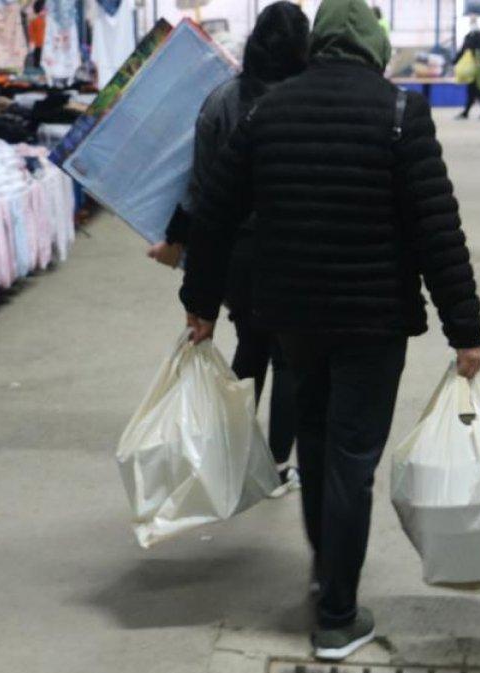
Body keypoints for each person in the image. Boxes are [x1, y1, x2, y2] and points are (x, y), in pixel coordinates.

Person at [180, 0, 480, 661]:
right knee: (351, 457)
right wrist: (466, 327)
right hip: (373, 321)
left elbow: (213, 212)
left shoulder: (266, 110)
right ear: (374, 45)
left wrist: (200, 301)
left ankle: (327, 575)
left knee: (317, 444)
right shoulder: (401, 113)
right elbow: (437, 226)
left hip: (292, 314)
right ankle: (338, 616)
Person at [147, 1, 310, 493]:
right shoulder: (304, 101)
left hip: (237, 253)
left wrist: (185, 248)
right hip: (291, 249)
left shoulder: (221, 101)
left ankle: (231, 455)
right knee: (287, 357)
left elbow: (200, 191)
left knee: (250, 345)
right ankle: (278, 465)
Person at [455, 16, 480, 120]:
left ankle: (467, 112)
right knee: (474, 90)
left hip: (477, 67)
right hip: (470, 66)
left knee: (473, 89)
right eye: (471, 22)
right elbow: (463, 50)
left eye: (474, 22)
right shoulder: (469, 36)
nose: (472, 24)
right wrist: (455, 61)